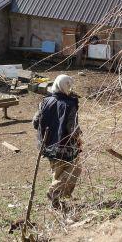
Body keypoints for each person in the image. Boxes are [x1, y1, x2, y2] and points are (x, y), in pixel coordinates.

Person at [32, 74, 81, 208]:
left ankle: (56, 202)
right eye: (69, 86)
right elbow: (72, 129)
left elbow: (35, 123)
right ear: (65, 86)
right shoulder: (70, 104)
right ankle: (54, 192)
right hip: (65, 145)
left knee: (57, 172)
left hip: (47, 145)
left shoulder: (44, 102)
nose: (70, 89)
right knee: (75, 169)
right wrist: (79, 139)